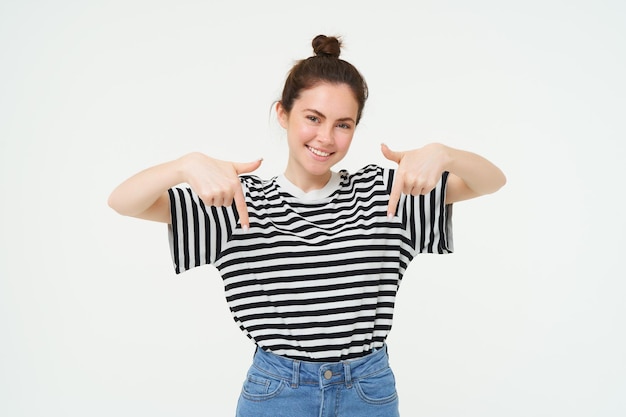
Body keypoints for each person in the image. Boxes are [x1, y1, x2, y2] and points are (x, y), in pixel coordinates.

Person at [108, 34, 506, 417]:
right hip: (277, 392)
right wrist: (184, 164)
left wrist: (444, 153)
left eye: (343, 124)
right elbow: (124, 202)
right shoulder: (236, 199)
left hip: (367, 392)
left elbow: (490, 182)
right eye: (312, 118)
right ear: (283, 113)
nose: (325, 137)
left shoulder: (386, 193)